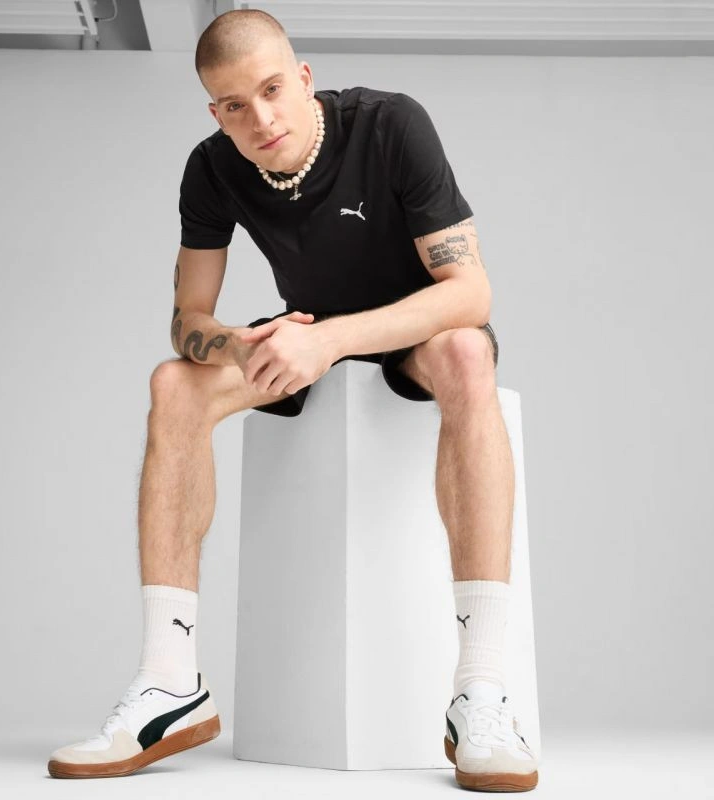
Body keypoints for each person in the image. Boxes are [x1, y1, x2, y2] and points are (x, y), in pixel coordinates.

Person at [47, 8, 539, 793]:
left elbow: (470, 292)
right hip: (303, 341)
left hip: (411, 332)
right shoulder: (212, 168)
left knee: (467, 350)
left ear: (304, 79)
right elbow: (187, 320)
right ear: (216, 112)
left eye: (273, 90)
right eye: (235, 106)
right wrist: (240, 345)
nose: (261, 119)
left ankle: (480, 690)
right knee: (174, 384)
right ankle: (170, 681)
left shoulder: (391, 125)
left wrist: (332, 340)